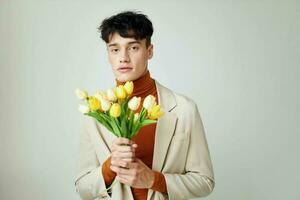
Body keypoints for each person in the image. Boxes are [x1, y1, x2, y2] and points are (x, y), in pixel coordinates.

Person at [74, 10, 215, 200]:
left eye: (133, 48)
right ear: (108, 54)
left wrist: (153, 180)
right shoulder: (95, 113)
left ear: (149, 51)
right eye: (115, 49)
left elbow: (205, 182)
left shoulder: (184, 109)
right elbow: (83, 188)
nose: (123, 57)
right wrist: (110, 167)